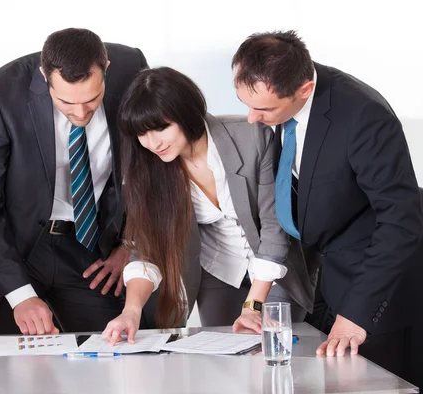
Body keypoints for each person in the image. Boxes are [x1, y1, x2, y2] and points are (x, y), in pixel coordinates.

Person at [232, 30, 423, 386]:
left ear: (304, 90)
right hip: (326, 277)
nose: (251, 118)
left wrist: (357, 314)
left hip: (376, 290)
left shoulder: (363, 116)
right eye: (246, 103)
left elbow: (402, 221)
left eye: (263, 109)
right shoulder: (281, 96)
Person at [102, 67, 317, 344]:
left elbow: (275, 228)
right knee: (223, 357)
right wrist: (131, 311)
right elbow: (147, 250)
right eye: (142, 133)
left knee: (274, 350)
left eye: (161, 128)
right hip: (219, 271)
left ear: (186, 114)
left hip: (276, 267)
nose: (152, 143)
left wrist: (253, 307)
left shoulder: (252, 137)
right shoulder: (148, 168)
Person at [0, 28, 149, 335]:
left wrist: (131, 243)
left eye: (91, 99)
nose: (80, 112)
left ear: (107, 70)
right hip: (16, 249)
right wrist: (20, 295)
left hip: (91, 247)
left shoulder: (133, 69)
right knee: (14, 374)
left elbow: (152, 169)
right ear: (44, 77)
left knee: (111, 355)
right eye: (66, 102)